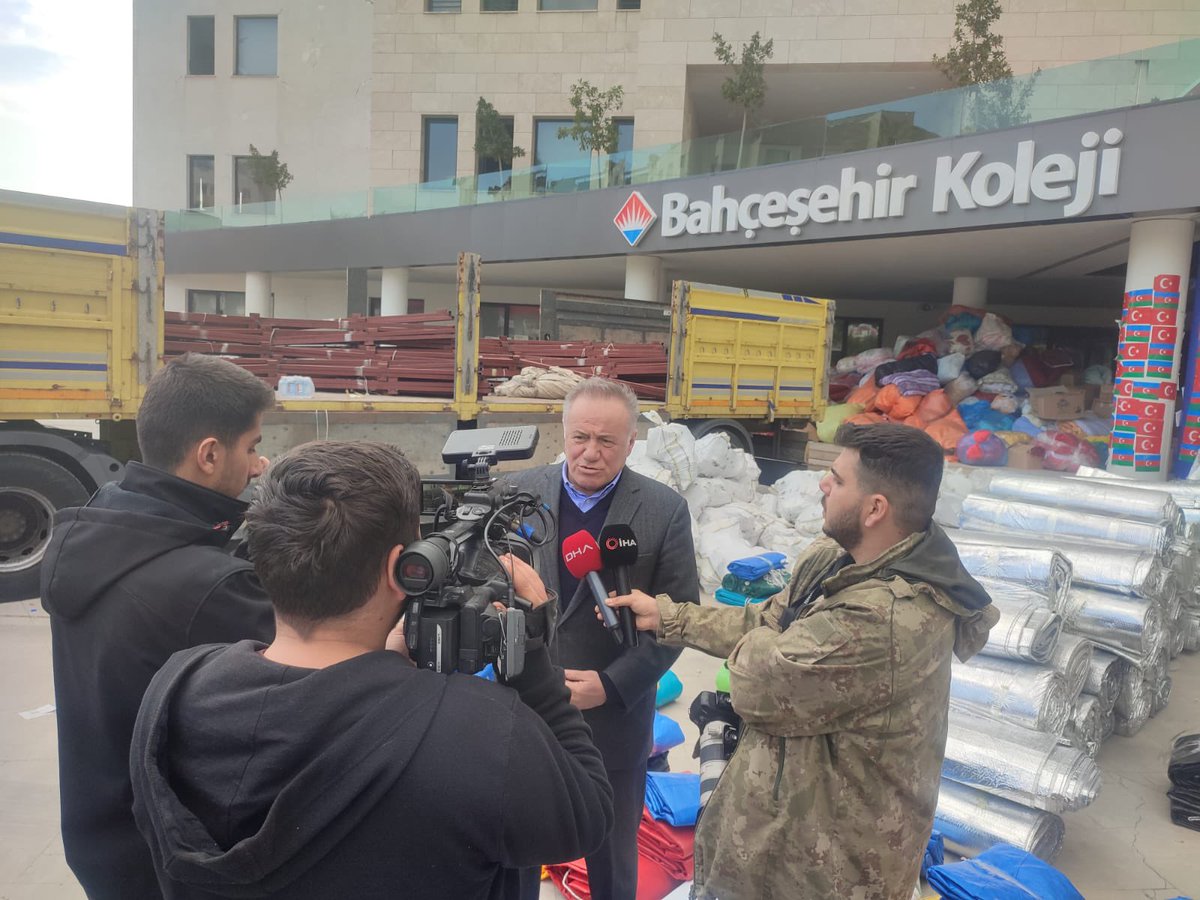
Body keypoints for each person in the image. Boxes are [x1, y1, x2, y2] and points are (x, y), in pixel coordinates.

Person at [129, 441, 614, 900]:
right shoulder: (481, 733)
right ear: (401, 570)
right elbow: (588, 814)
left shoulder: (174, 689)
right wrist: (531, 655)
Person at [607, 423, 1000, 900]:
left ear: (876, 508)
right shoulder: (835, 558)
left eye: (836, 478)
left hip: (823, 872)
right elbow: (767, 621)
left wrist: (769, 647)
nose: (822, 485)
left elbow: (754, 683)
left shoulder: (887, 618)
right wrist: (670, 616)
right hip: (775, 839)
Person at [41, 353, 277, 900]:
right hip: (172, 858)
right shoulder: (209, 586)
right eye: (252, 446)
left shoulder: (104, 522)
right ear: (210, 454)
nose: (260, 464)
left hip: (102, 835)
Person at [505, 377, 700, 900]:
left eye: (607, 441)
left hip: (613, 722)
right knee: (516, 852)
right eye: (580, 437)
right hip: (524, 711)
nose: (590, 453)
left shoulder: (663, 510)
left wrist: (612, 687)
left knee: (612, 859)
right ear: (562, 434)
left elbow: (679, 617)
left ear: (632, 441)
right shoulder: (515, 496)